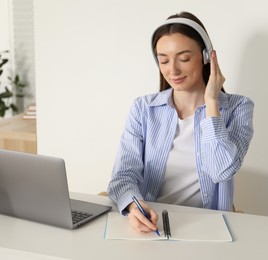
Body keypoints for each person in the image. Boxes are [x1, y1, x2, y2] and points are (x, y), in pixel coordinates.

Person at [107, 11, 254, 234]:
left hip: (207, 231)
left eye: (184, 58)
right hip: (152, 227)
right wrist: (132, 206)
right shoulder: (143, 109)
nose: (172, 70)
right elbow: (123, 175)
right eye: (163, 60)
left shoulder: (238, 108)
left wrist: (211, 102)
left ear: (207, 57)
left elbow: (221, 170)